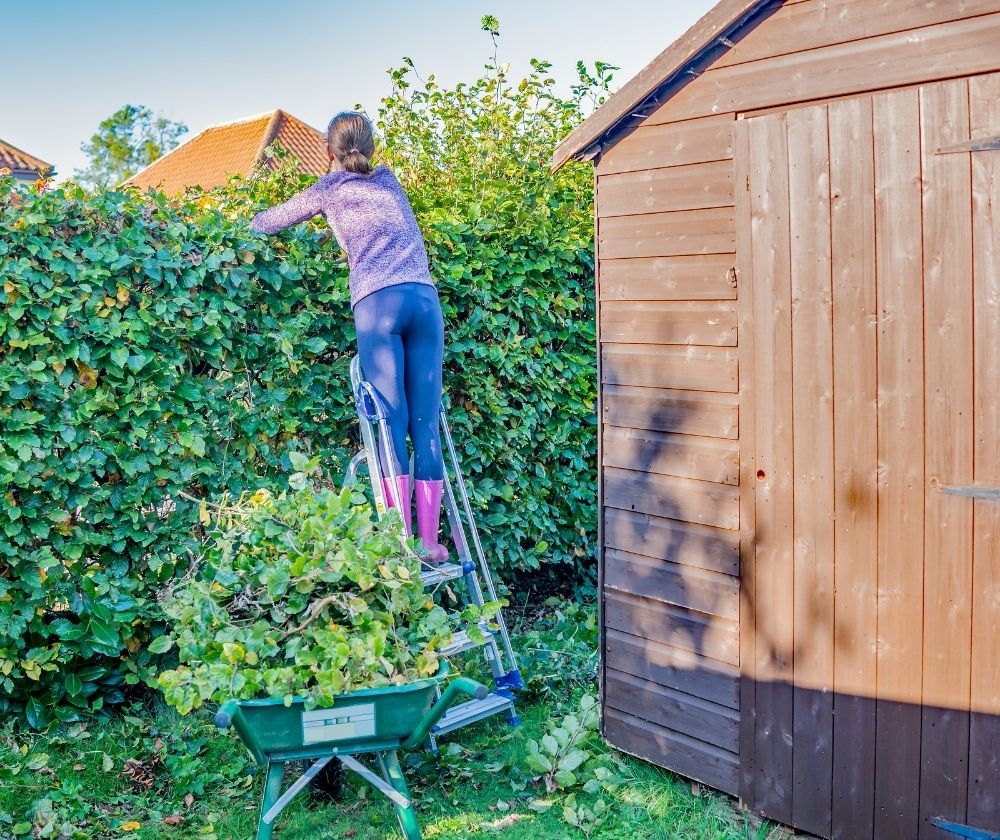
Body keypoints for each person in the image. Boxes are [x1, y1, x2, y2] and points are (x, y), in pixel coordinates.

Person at [251, 111, 448, 562]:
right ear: (373, 147)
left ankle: (401, 544)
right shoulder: (390, 181)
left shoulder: (328, 188)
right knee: (426, 425)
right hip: (424, 300)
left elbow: (268, 221)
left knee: (391, 425)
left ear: (327, 152)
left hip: (378, 305)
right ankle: (432, 543)